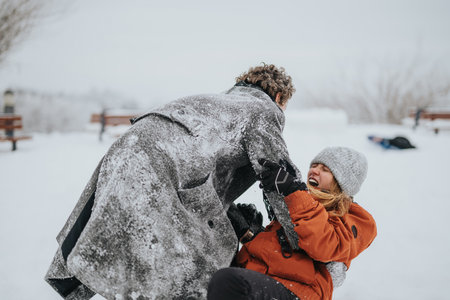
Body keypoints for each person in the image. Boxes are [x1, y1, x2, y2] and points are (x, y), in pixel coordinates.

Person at [45, 64, 301, 299]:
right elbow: (279, 177)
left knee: (123, 242)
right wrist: (301, 236)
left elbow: (205, 183)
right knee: (194, 263)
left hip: (129, 147)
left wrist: (238, 222)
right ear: (279, 97)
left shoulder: (219, 102)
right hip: (163, 162)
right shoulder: (264, 109)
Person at [208, 146, 377, 300]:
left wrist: (293, 191)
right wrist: (250, 233)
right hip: (265, 279)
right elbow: (282, 251)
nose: (314, 171)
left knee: (229, 282)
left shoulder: (357, 218)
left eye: (325, 169)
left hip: (299, 291)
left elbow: (324, 245)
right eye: (315, 165)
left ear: (342, 182)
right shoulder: (299, 204)